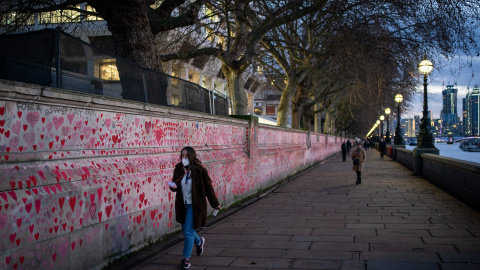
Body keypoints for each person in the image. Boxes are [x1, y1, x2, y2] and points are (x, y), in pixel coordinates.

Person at [168, 146, 221, 269]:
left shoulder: (200, 170)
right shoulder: (178, 168)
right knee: (187, 230)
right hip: (182, 205)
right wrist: (173, 187)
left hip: (195, 205)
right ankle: (199, 242)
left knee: (187, 232)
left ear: (192, 156)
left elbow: (209, 188)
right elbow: (174, 183)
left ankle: (186, 259)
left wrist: (215, 204)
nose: (184, 158)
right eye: (182, 155)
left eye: (186, 156)